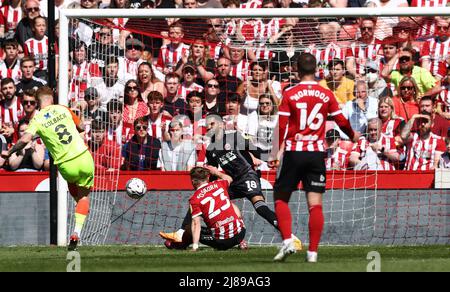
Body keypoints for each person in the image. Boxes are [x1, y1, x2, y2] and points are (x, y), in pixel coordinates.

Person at [160, 114, 302, 251]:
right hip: (232, 181)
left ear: (221, 124)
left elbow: (256, 151)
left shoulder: (235, 137)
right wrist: (210, 188)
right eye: (207, 126)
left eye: (212, 124)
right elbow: (214, 176)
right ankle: (180, 234)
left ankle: (291, 237)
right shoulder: (210, 150)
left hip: (247, 176)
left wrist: (269, 159)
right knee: (202, 198)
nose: (209, 128)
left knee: (260, 207)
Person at [268, 53, 358, 262]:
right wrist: (352, 134)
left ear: (296, 70)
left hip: (294, 151)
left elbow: (281, 126)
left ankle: (288, 240)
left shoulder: (289, 93)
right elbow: (341, 120)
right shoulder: (326, 93)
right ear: (317, 70)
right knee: (315, 204)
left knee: (281, 197)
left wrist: (275, 152)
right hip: (317, 153)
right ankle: (313, 253)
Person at [1, 86, 94, 251]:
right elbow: (80, 126)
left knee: (77, 193)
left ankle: (78, 213)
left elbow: (25, 139)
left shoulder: (37, 120)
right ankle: (77, 231)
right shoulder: (63, 109)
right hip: (84, 156)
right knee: (84, 197)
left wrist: (9, 151)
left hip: (66, 164)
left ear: (37, 103)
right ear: (52, 98)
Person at [165, 167, 246, 251]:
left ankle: (181, 244)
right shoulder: (220, 184)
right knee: (232, 205)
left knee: (189, 227)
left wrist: (195, 246)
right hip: (241, 233)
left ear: (192, 181)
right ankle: (241, 242)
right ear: (208, 177)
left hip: (223, 242)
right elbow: (229, 178)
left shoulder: (195, 199)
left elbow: (196, 224)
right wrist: (216, 172)